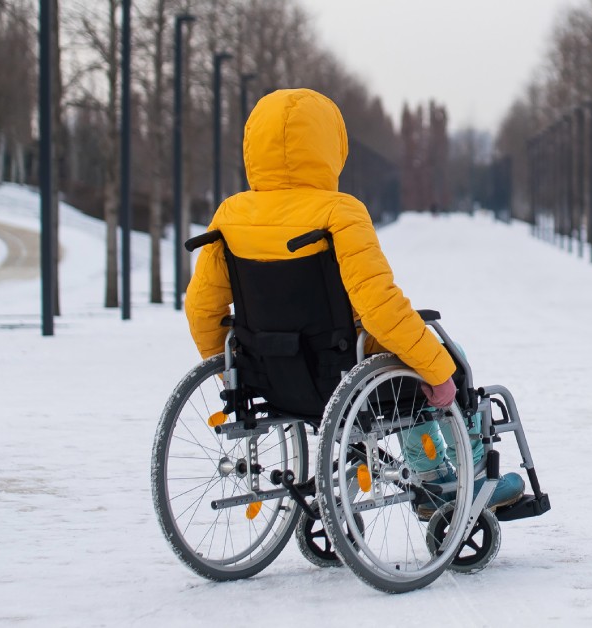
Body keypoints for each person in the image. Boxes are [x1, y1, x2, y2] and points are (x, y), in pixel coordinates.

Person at [184, 88, 522, 516]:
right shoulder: (339, 212)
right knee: (436, 360)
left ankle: (434, 474)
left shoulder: (230, 215)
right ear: (331, 145)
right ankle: (456, 476)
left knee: (409, 360)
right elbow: (379, 306)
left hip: (269, 376)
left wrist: (237, 371)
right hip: (343, 371)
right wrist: (439, 369)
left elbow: (201, 309)